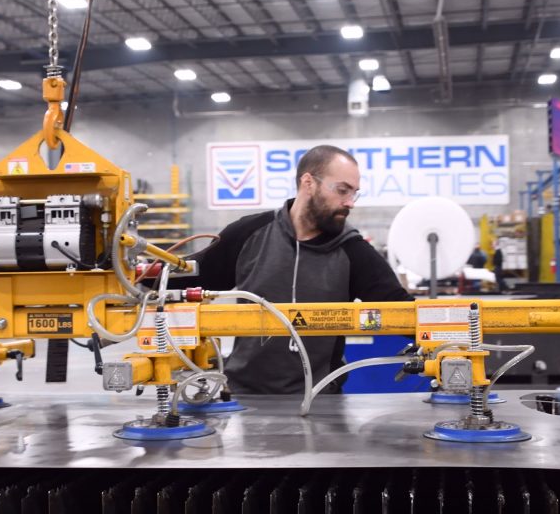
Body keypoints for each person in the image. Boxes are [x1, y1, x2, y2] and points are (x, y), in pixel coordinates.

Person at [171, 145, 413, 395]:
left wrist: (448, 337)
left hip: (319, 399)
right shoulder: (249, 234)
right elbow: (193, 275)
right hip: (242, 395)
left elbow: (401, 309)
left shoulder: (354, 252)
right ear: (308, 182)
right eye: (342, 190)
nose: (350, 202)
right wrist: (139, 273)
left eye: (354, 193)